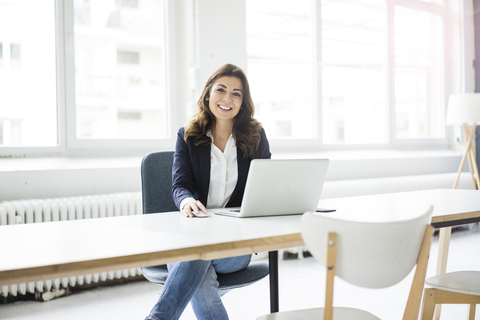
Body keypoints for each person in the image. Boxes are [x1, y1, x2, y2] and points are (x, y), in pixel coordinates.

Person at [145, 64, 271, 320]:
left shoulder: (255, 136)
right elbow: (180, 184)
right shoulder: (188, 136)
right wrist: (186, 200)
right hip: (191, 236)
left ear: (243, 101)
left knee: (194, 258)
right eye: (221, 90)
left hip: (233, 245)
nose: (227, 98)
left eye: (236, 93)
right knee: (198, 265)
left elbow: (264, 185)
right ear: (207, 95)